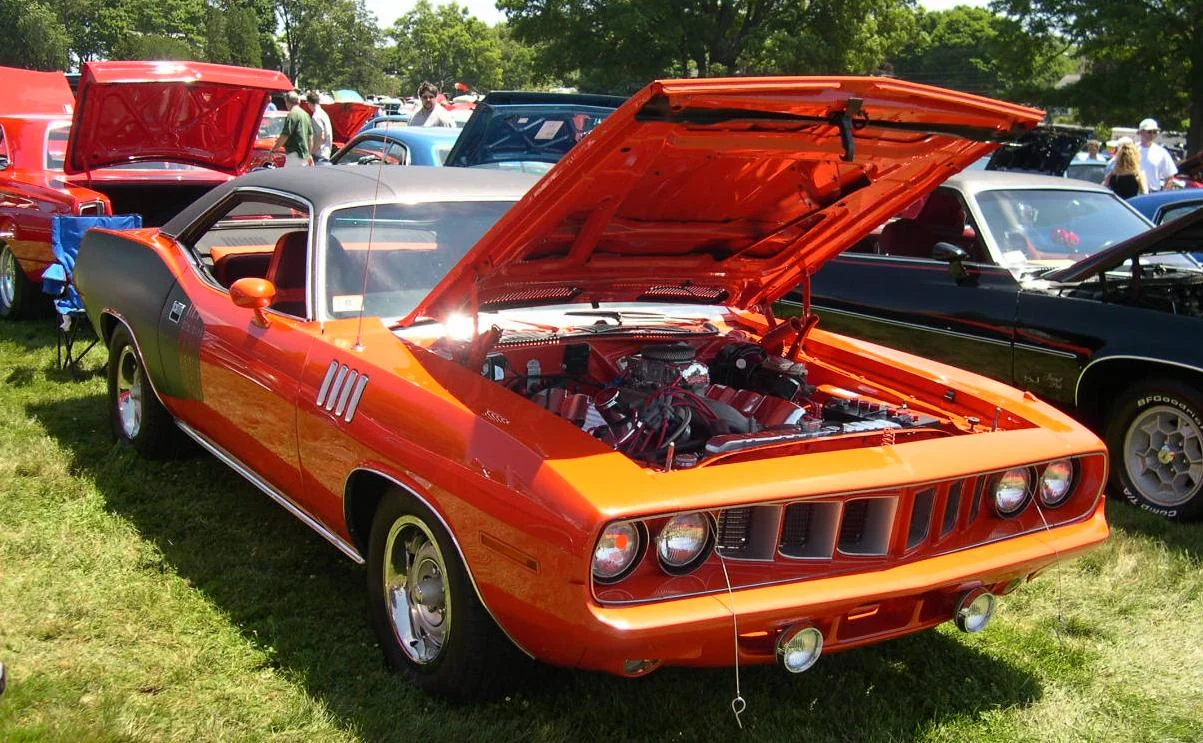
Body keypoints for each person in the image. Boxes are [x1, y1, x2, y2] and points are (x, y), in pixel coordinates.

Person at [272, 91, 313, 167]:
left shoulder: (292, 114)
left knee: (289, 178)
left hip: (294, 155)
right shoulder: (306, 115)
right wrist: (309, 154)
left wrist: (273, 150)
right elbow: (310, 137)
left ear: (287, 101)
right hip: (304, 156)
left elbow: (285, 135)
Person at [1136, 118, 1178, 191]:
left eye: (1155, 132)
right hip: (1134, 192)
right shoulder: (1133, 150)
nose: (1152, 134)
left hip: (1153, 192)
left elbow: (1169, 177)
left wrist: (1163, 195)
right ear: (1141, 132)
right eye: (1149, 132)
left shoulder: (1161, 152)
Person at [303, 91, 333, 164]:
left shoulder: (316, 117)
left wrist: (311, 152)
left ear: (309, 103)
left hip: (319, 156)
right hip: (326, 154)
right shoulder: (324, 114)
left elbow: (321, 136)